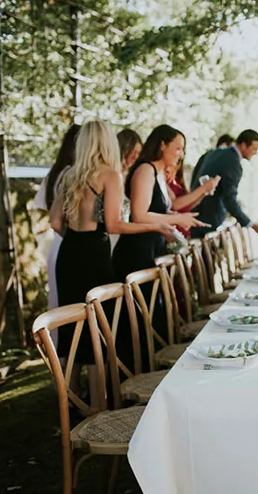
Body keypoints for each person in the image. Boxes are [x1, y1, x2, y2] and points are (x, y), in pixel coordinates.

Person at [49, 120, 173, 406]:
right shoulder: (110, 175)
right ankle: (100, 405)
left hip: (70, 252)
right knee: (98, 330)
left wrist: (75, 239)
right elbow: (115, 224)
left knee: (72, 328)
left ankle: (69, 403)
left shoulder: (69, 174)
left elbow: (55, 221)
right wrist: (154, 227)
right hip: (94, 253)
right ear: (107, 143)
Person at [112, 125, 207, 371]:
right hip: (135, 254)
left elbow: (160, 213)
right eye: (178, 147)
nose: (180, 153)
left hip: (151, 251)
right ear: (162, 145)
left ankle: (152, 372)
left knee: (155, 319)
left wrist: (172, 223)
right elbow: (139, 215)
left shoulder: (158, 173)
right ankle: (138, 376)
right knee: (139, 321)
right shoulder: (144, 170)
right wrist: (177, 220)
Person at [33, 124, 80, 321]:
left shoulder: (55, 172)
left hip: (57, 243)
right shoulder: (71, 174)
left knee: (58, 304)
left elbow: (44, 205)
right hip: (68, 240)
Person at [190, 129, 258, 238]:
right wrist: (252, 225)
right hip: (209, 222)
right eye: (254, 149)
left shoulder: (214, 152)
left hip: (194, 213)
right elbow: (229, 200)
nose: (255, 153)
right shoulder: (234, 164)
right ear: (243, 145)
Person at [166, 157, 220, 238]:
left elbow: (187, 206)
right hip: (171, 233)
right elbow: (175, 205)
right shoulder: (162, 179)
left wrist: (204, 193)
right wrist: (203, 188)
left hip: (183, 233)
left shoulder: (177, 179)